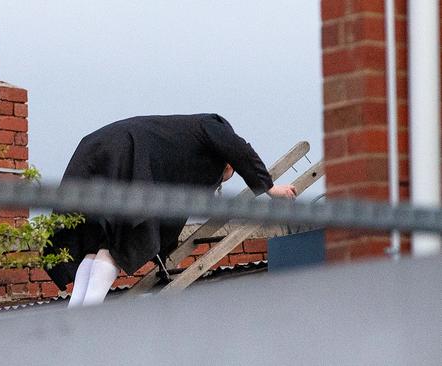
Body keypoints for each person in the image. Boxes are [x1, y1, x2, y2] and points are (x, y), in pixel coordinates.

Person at [44, 114, 296, 307]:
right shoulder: (213, 124)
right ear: (228, 162)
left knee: (100, 243)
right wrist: (270, 188)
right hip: (125, 151)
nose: (218, 180)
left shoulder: (177, 141)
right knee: (123, 242)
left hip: (96, 147)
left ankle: (76, 314)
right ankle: (86, 322)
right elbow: (238, 147)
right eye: (224, 176)